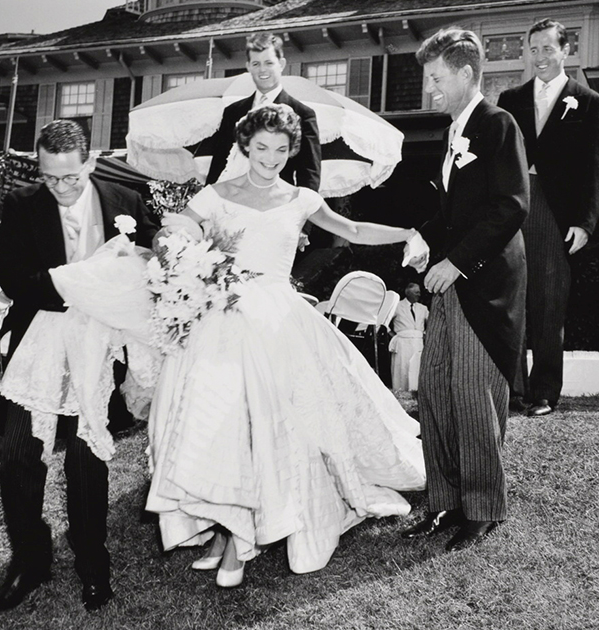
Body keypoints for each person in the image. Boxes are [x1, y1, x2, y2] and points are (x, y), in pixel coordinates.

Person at [145, 104, 426, 588]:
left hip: (277, 322)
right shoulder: (215, 195)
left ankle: (240, 538)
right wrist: (169, 244)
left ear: (292, 150)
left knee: (264, 425)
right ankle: (222, 526)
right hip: (222, 316)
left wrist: (409, 232)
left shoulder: (301, 198)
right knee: (218, 423)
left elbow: (353, 231)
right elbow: (175, 231)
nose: (270, 158)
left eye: (280, 149)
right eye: (260, 149)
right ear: (244, 147)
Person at [0, 119, 158, 613]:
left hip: (102, 349)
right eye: (49, 177)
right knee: (17, 452)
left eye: (70, 178)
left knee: (86, 460)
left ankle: (92, 564)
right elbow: (10, 273)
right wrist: (76, 288)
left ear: (91, 163)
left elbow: (151, 262)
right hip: (39, 340)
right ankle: (30, 561)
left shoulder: (126, 201)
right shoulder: (21, 204)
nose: (59, 188)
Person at [401, 28, 528, 552]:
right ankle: (445, 501)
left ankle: (483, 507)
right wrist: (421, 238)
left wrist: (454, 261)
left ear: (465, 74)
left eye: (436, 77)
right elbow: (454, 212)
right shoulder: (456, 130)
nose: (429, 87)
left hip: (486, 283)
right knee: (434, 389)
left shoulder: (498, 124)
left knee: (473, 394)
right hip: (450, 280)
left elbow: (511, 205)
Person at [497, 18, 599, 417]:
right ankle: (510, 388)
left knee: (549, 303)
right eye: (534, 48)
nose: (540, 56)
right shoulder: (510, 99)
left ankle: (543, 392)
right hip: (513, 206)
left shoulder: (588, 102)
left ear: (565, 50)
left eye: (548, 48)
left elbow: (594, 168)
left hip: (556, 214)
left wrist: (584, 222)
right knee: (510, 298)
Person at [205, 32, 321, 192]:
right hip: (232, 204)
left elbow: (309, 176)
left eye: (268, 63)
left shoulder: (303, 114)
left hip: (276, 207)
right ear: (248, 66)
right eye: (256, 64)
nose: (262, 70)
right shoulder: (232, 112)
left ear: (281, 64)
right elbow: (218, 166)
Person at [389, 282, 428, 391]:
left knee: (417, 367)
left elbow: (433, 322)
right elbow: (383, 321)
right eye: (416, 292)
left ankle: (417, 393)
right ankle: (401, 392)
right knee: (403, 368)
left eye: (419, 292)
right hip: (403, 342)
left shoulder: (423, 308)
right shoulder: (397, 306)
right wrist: (390, 333)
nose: (419, 295)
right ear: (408, 293)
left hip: (418, 343)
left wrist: (426, 334)